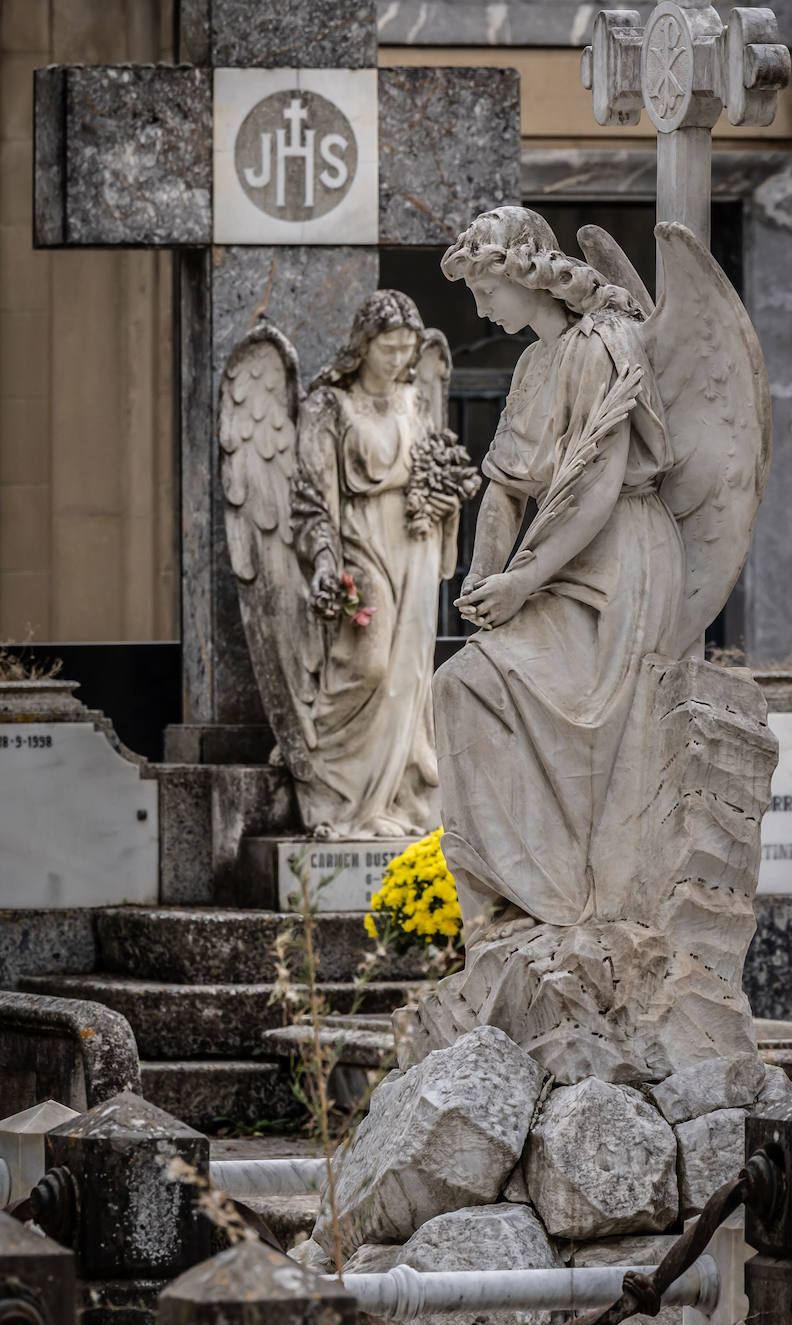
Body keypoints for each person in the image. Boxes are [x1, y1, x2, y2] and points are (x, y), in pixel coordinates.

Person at [435, 206, 686, 933]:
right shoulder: (534, 362)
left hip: (616, 564)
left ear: (526, 276)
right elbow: (507, 486)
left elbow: (596, 489)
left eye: (486, 289)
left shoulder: (609, 344)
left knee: (526, 700)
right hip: (558, 561)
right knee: (462, 683)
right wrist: (484, 578)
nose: (480, 306)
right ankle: (522, 898)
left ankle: (581, 902)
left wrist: (523, 581)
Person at [289, 290, 460, 838]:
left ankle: (394, 801)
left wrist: (444, 501)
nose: (397, 359)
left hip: (415, 541)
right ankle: (339, 793)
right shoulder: (328, 407)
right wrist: (323, 563)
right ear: (363, 346)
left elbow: (439, 473)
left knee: (410, 674)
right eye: (387, 347)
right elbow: (311, 500)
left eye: (406, 348)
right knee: (370, 666)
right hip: (359, 543)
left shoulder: (416, 401)